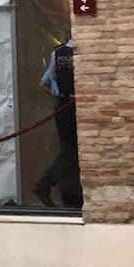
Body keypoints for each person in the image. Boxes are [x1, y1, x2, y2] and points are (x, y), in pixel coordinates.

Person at [34, 38, 82, 208]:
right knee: (73, 151)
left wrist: (58, 98)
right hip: (76, 106)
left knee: (69, 149)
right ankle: (48, 185)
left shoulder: (58, 53)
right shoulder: (82, 53)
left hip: (63, 106)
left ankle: (68, 192)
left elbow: (43, 84)